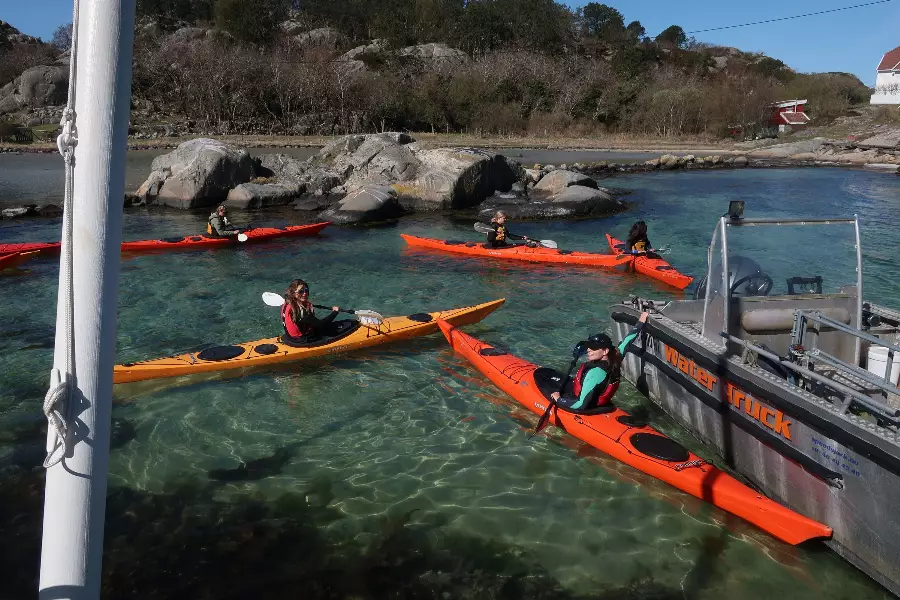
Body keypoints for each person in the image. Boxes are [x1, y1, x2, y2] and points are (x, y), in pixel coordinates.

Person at [550, 311, 650, 411]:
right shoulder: (616, 357)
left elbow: (581, 405)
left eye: (593, 348)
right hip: (602, 402)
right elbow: (628, 340)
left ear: (605, 351)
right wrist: (641, 322)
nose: (588, 350)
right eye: (589, 346)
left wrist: (559, 399)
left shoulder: (595, 372)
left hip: (586, 406)